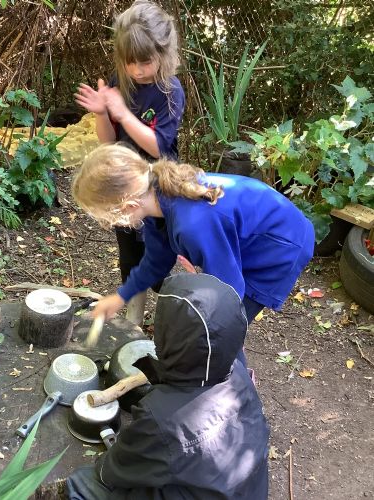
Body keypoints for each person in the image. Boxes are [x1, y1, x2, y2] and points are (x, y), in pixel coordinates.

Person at [66, 272, 270, 500]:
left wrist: (110, 461)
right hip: (246, 491)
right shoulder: (239, 374)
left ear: (168, 335)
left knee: (82, 482)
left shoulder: (162, 419)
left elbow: (112, 472)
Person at [72, 143, 316, 330]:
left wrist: (212, 319)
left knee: (221, 330)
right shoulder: (156, 199)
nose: (110, 224)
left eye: (107, 218)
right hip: (255, 234)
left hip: (280, 246)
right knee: (207, 329)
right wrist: (120, 297)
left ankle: (233, 378)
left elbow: (229, 292)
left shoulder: (193, 225)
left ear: (128, 207)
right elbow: (155, 263)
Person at [74, 0, 185, 326]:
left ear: (163, 52)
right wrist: (102, 113)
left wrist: (122, 113)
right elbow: (109, 142)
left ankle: (171, 315)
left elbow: (158, 145)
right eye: (129, 62)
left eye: (145, 62)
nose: (137, 70)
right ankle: (134, 320)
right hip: (123, 183)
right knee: (129, 253)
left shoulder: (170, 91)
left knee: (159, 253)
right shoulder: (119, 82)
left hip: (158, 187)